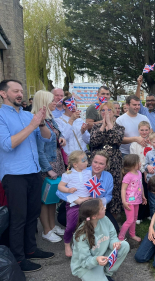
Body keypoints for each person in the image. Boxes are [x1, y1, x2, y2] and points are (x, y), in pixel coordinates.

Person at [0, 79, 54, 272]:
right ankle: (18, 259)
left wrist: (41, 123)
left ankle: (30, 250)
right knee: (18, 218)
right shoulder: (0, 116)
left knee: (33, 215)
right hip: (14, 174)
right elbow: (8, 144)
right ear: (3, 94)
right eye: (15, 91)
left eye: (21, 91)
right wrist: (32, 125)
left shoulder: (26, 115)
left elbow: (47, 138)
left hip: (33, 171)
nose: (20, 94)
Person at [56, 151, 118, 255]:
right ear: (91, 161)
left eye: (101, 164)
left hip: (96, 206)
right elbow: (59, 192)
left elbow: (108, 196)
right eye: (95, 162)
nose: (97, 166)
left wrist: (99, 201)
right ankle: (76, 241)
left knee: (114, 228)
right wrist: (76, 199)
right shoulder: (81, 170)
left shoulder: (108, 177)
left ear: (106, 165)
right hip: (76, 203)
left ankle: (96, 242)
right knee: (70, 221)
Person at [33, 90, 67, 243]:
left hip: (57, 161)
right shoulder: (38, 122)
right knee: (44, 199)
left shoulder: (51, 119)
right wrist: (48, 169)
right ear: (44, 103)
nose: (56, 103)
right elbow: (39, 151)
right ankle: (46, 230)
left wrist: (62, 139)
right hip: (47, 165)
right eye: (52, 101)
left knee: (53, 197)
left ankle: (52, 226)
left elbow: (57, 135)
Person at [71, 199, 130, 281]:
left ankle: (107, 273)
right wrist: (96, 260)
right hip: (86, 266)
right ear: (94, 216)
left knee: (124, 246)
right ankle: (95, 275)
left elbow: (112, 235)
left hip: (101, 258)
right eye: (102, 208)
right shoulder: (81, 235)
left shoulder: (105, 219)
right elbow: (84, 261)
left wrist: (114, 243)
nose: (105, 208)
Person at [90, 102, 125, 216]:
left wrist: (109, 123)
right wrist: (103, 126)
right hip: (98, 160)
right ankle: (95, 211)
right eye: (103, 110)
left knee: (114, 186)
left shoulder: (119, 127)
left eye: (109, 110)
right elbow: (94, 142)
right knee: (98, 184)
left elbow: (116, 140)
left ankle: (113, 215)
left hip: (114, 160)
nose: (106, 113)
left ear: (113, 112)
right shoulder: (95, 127)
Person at [57, 151, 92, 257]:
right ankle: (67, 244)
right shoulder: (68, 175)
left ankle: (84, 244)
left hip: (87, 202)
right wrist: (69, 190)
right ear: (75, 164)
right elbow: (60, 187)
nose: (86, 162)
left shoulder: (88, 172)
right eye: (83, 160)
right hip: (74, 203)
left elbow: (92, 184)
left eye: (86, 159)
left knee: (88, 224)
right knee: (71, 225)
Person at [119, 154, 147, 242]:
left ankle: (132, 234)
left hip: (137, 200)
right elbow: (123, 189)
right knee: (130, 220)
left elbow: (140, 185)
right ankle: (120, 237)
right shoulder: (128, 176)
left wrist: (143, 196)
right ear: (132, 164)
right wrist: (124, 201)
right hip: (129, 202)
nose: (140, 163)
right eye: (138, 162)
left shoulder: (139, 173)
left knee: (134, 219)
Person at [130, 121, 152, 224]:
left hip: (150, 170)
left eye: (146, 130)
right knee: (140, 192)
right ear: (138, 130)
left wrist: (148, 170)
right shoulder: (134, 144)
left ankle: (148, 213)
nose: (144, 132)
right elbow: (134, 158)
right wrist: (142, 171)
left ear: (149, 130)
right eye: (142, 130)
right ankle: (139, 215)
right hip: (139, 171)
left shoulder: (152, 142)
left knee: (150, 192)